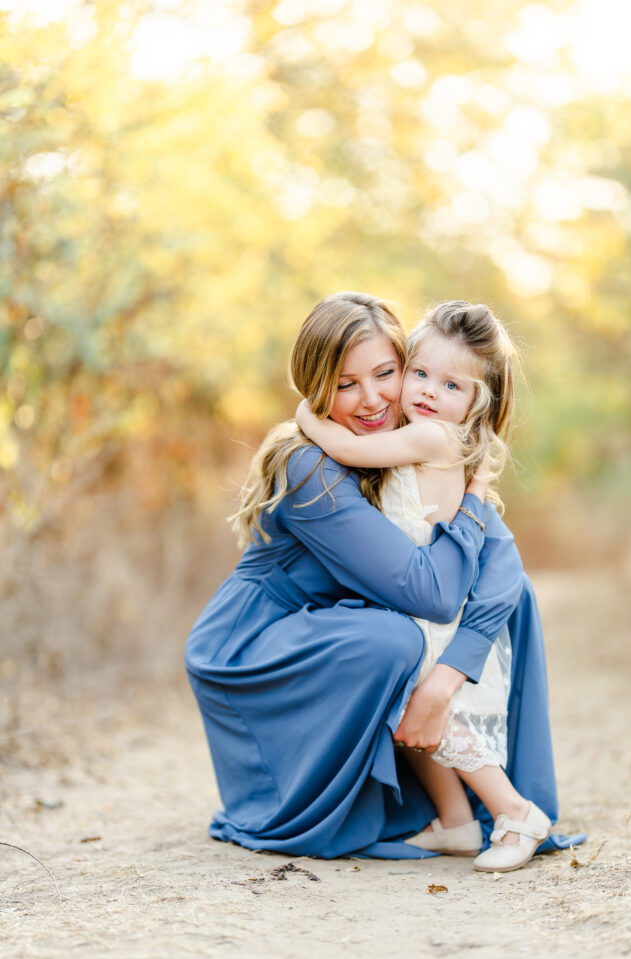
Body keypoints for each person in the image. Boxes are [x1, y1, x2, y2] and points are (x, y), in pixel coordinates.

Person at [185, 292, 582, 860]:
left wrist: (448, 679)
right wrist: (472, 496)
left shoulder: (411, 438)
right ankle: (462, 804)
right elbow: (436, 593)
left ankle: (461, 811)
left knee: (506, 599)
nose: (372, 399)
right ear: (316, 386)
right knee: (397, 636)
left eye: (385, 374)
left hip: (341, 629)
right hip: (259, 641)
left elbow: (504, 568)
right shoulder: (310, 465)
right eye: (345, 384)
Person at [296, 300, 550, 871]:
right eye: (420, 373)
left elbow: (349, 448)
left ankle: (516, 814)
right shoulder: (418, 434)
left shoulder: (434, 438)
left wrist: (308, 417)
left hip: (438, 611)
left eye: (452, 384)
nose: (430, 391)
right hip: (414, 603)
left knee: (433, 719)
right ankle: (457, 822)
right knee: (412, 715)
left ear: (476, 403)